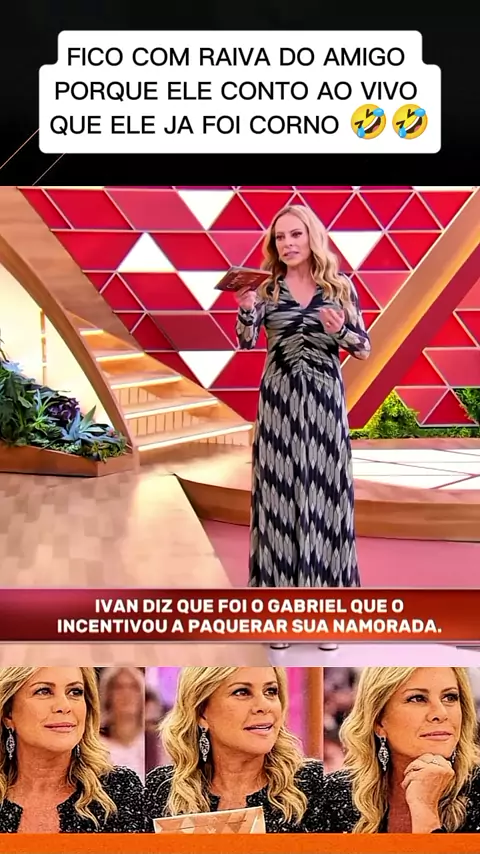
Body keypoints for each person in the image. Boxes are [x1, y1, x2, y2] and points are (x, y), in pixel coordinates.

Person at [235, 204, 370, 589]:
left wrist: (340, 331)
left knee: (325, 494)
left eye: (296, 234)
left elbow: (363, 348)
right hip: (278, 403)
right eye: (280, 237)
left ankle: (327, 596)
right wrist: (246, 311)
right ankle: (278, 596)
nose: (288, 243)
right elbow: (246, 343)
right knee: (278, 495)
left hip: (325, 404)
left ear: (312, 237)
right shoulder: (266, 289)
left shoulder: (339, 287)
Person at [144, 666, 324, 833]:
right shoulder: (163, 788)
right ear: (201, 712)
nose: (264, 706)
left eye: (271, 691)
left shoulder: (315, 786)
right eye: (242, 692)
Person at [323, 666, 480, 833]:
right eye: (417, 698)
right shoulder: (332, 795)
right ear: (378, 721)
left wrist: (425, 811)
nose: (441, 713)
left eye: (450, 697)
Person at [0, 666, 146, 833]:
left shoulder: (121, 790)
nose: (65, 706)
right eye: (43, 691)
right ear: (8, 713)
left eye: (75, 692)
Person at [99, 667, 145, 781]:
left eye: (133, 687)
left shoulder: (155, 742)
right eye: (119, 687)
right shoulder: (95, 745)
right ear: (108, 695)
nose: (126, 694)